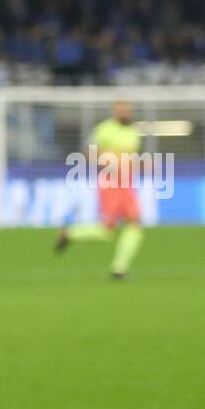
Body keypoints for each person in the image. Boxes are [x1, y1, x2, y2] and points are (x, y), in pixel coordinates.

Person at [55, 100, 145, 279]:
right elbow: (88, 152)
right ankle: (70, 233)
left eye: (128, 110)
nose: (126, 113)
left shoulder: (134, 133)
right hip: (109, 183)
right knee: (107, 230)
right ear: (115, 112)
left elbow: (131, 159)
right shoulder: (104, 129)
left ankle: (119, 269)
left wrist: (140, 165)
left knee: (135, 224)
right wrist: (106, 161)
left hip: (126, 184)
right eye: (122, 110)